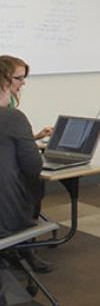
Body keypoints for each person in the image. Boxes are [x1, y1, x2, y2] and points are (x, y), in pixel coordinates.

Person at [0, 61, 42, 238]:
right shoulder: (12, 117)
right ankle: (22, 246)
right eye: (18, 79)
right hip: (6, 214)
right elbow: (33, 166)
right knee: (37, 185)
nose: (23, 83)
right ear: (4, 82)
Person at [0, 56, 52, 140]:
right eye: (18, 78)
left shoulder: (10, 102)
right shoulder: (12, 113)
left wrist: (36, 137)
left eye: (23, 78)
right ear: (3, 78)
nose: (23, 83)